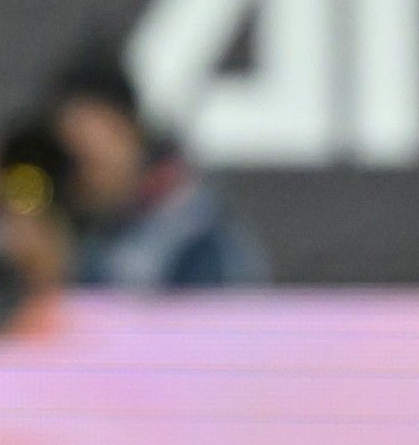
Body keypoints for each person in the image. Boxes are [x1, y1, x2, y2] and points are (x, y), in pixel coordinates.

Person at [46, 41, 268, 288]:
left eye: (89, 158)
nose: (80, 178)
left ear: (128, 135)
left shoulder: (198, 242)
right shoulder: (80, 230)